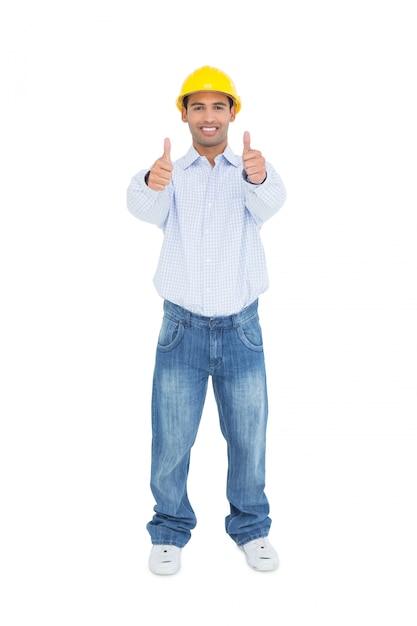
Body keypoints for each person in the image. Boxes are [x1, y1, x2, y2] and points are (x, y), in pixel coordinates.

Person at [127, 66, 286, 575]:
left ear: (233, 113)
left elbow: (272, 202)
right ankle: (169, 528)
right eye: (199, 107)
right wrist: (152, 181)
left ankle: (251, 528)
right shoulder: (170, 173)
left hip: (241, 330)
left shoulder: (251, 172)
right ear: (184, 114)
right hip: (182, 331)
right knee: (172, 437)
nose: (209, 116)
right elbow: (141, 206)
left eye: (219, 106)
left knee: (248, 435)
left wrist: (258, 176)